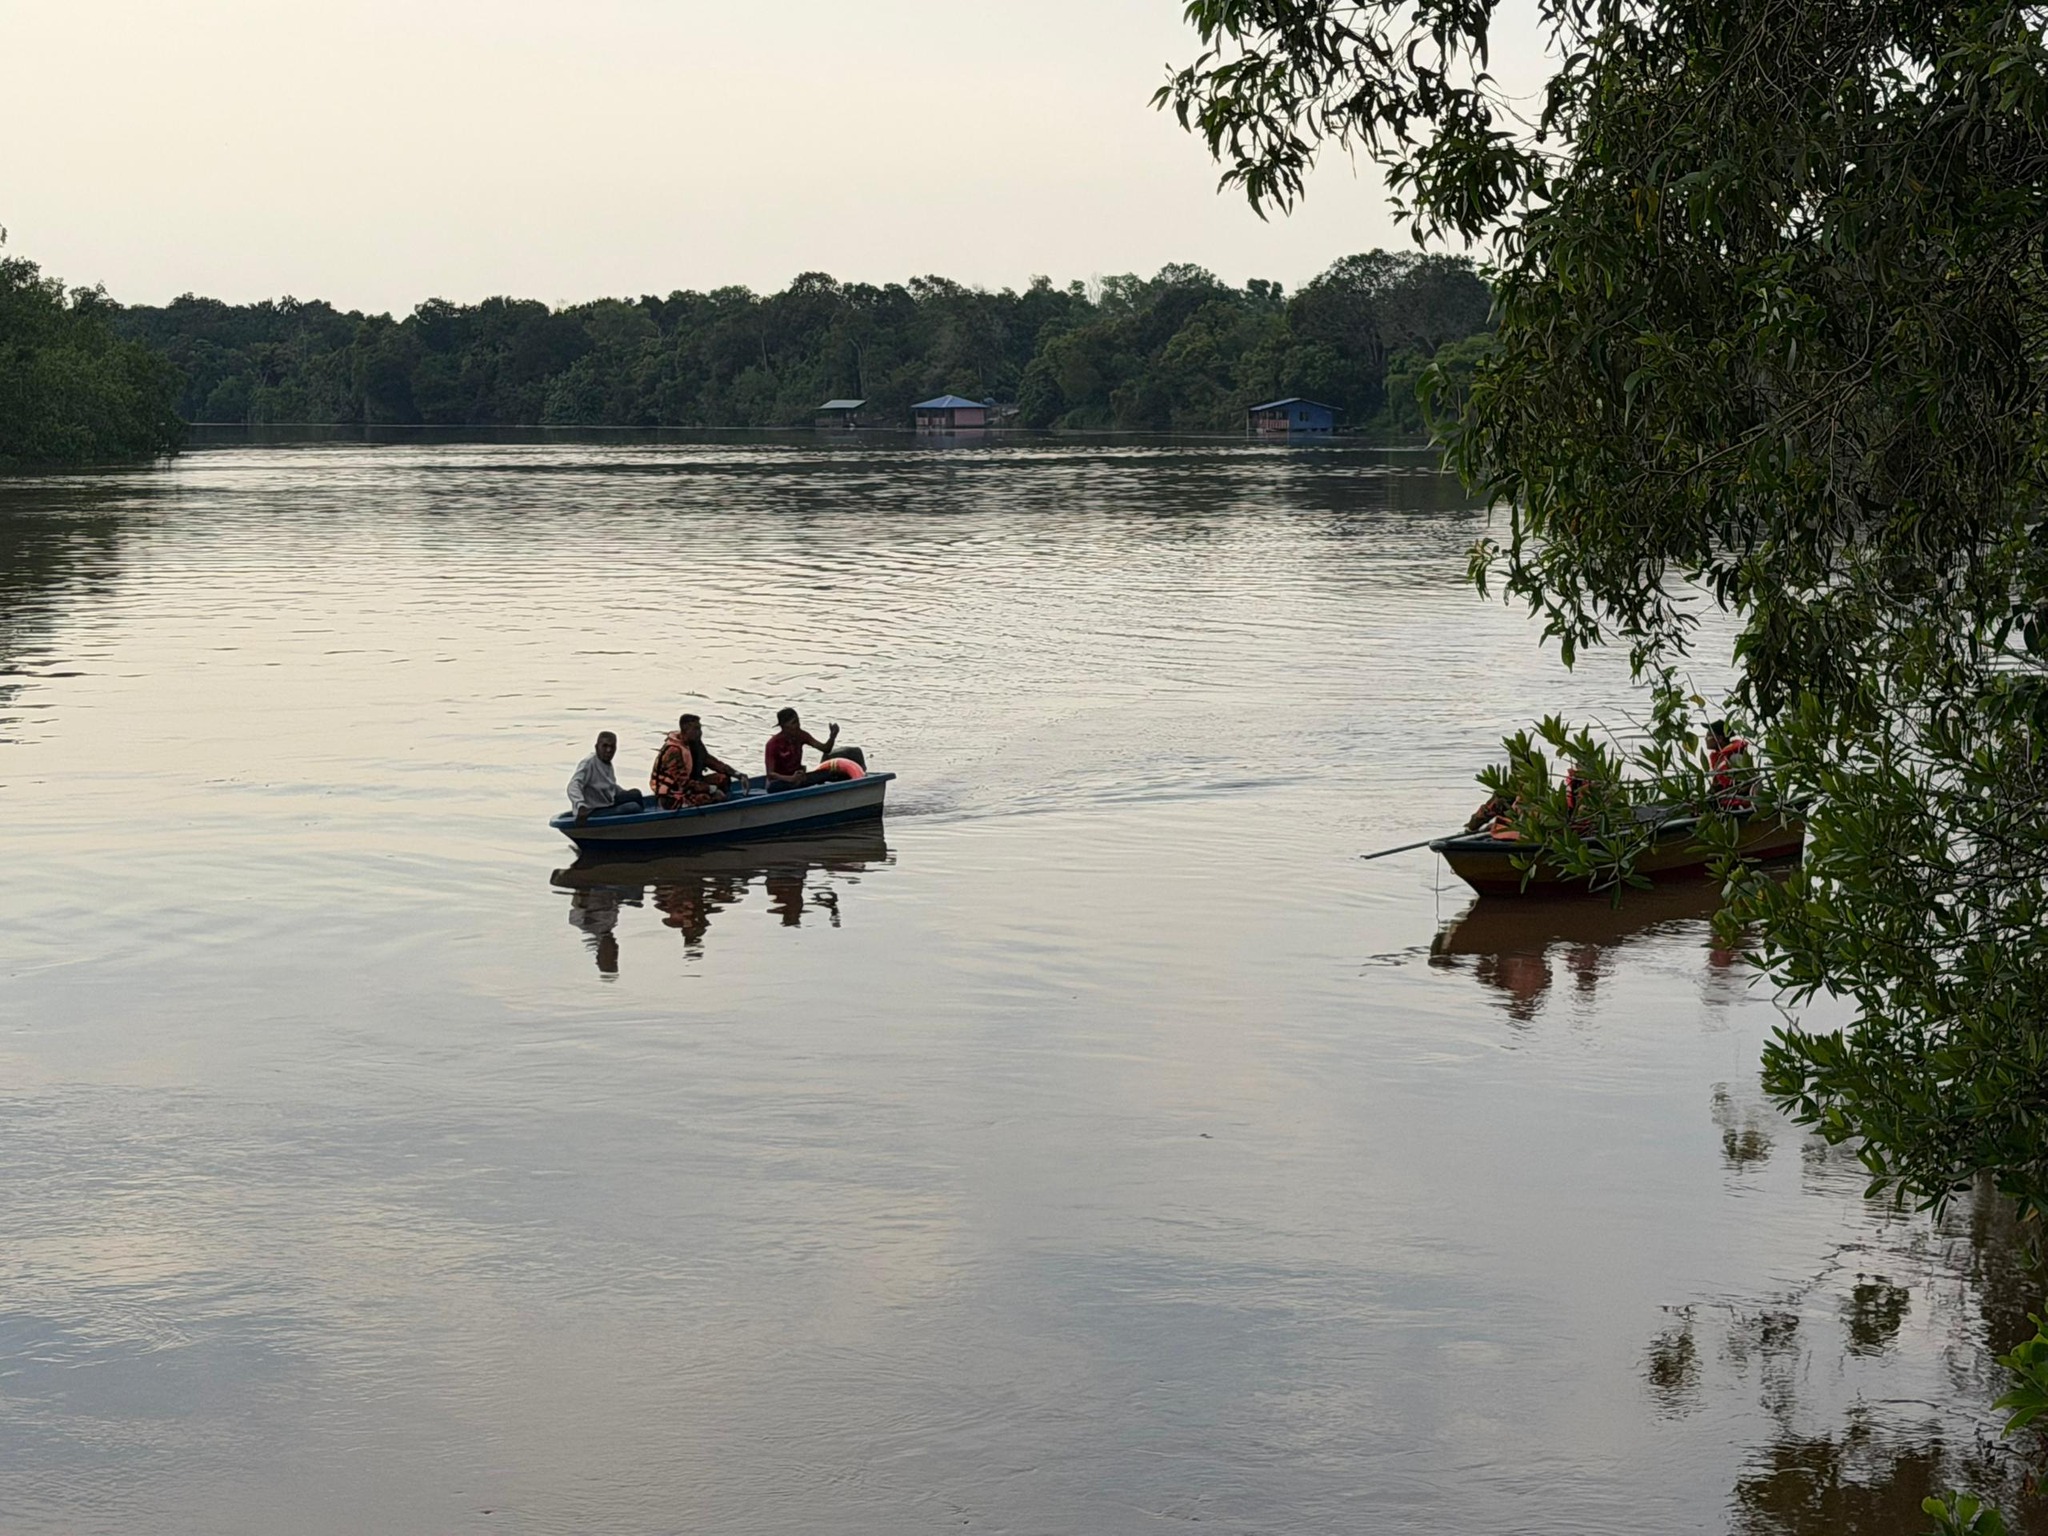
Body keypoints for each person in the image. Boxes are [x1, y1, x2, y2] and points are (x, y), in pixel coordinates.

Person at [651, 713, 729, 809]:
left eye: (700, 729)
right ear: (685, 730)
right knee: (706, 798)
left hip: (686, 789)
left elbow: (710, 760)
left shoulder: (691, 744)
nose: (699, 733)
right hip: (671, 796)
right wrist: (710, 789)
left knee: (721, 779)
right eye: (696, 729)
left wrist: (736, 774)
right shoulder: (674, 751)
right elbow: (683, 782)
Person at [566, 730, 645, 825]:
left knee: (636, 794)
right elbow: (573, 785)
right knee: (633, 807)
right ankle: (639, 826)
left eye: (612, 747)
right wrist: (581, 805)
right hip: (594, 810)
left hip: (608, 801)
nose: (609, 750)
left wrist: (623, 792)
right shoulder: (588, 763)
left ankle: (644, 821)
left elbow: (609, 785)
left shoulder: (606, 763)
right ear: (596, 747)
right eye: (605, 746)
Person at [764, 707, 841, 789]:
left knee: (832, 774)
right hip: (780, 782)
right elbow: (770, 775)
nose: (798, 725)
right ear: (784, 726)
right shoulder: (773, 744)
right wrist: (791, 779)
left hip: (799, 778)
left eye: (798, 721)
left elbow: (826, 749)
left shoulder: (801, 735)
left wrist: (832, 737)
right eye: (794, 723)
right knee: (775, 786)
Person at [1704, 720, 1753, 810]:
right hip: (1723, 799)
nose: (1705, 739)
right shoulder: (1719, 757)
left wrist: (1727, 794)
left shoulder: (1735, 757)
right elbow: (1716, 786)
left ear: (1720, 738)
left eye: (1708, 736)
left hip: (1736, 802)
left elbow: (1749, 783)